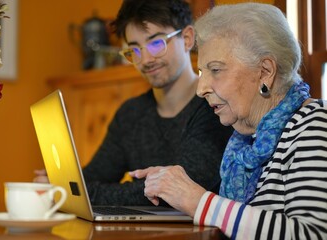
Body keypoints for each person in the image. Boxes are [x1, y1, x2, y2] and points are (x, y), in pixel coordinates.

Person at [130, 2, 327, 239]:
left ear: (265, 71)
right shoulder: (243, 143)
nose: (201, 89)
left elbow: (314, 234)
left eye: (215, 70)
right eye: (202, 72)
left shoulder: (314, 125)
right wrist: (173, 188)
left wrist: (197, 201)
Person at [35, 0, 233, 206]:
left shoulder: (215, 107)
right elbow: (94, 176)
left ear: (187, 38)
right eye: (135, 51)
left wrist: (73, 191)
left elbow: (173, 193)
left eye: (156, 44)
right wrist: (59, 183)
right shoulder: (131, 113)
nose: (146, 59)